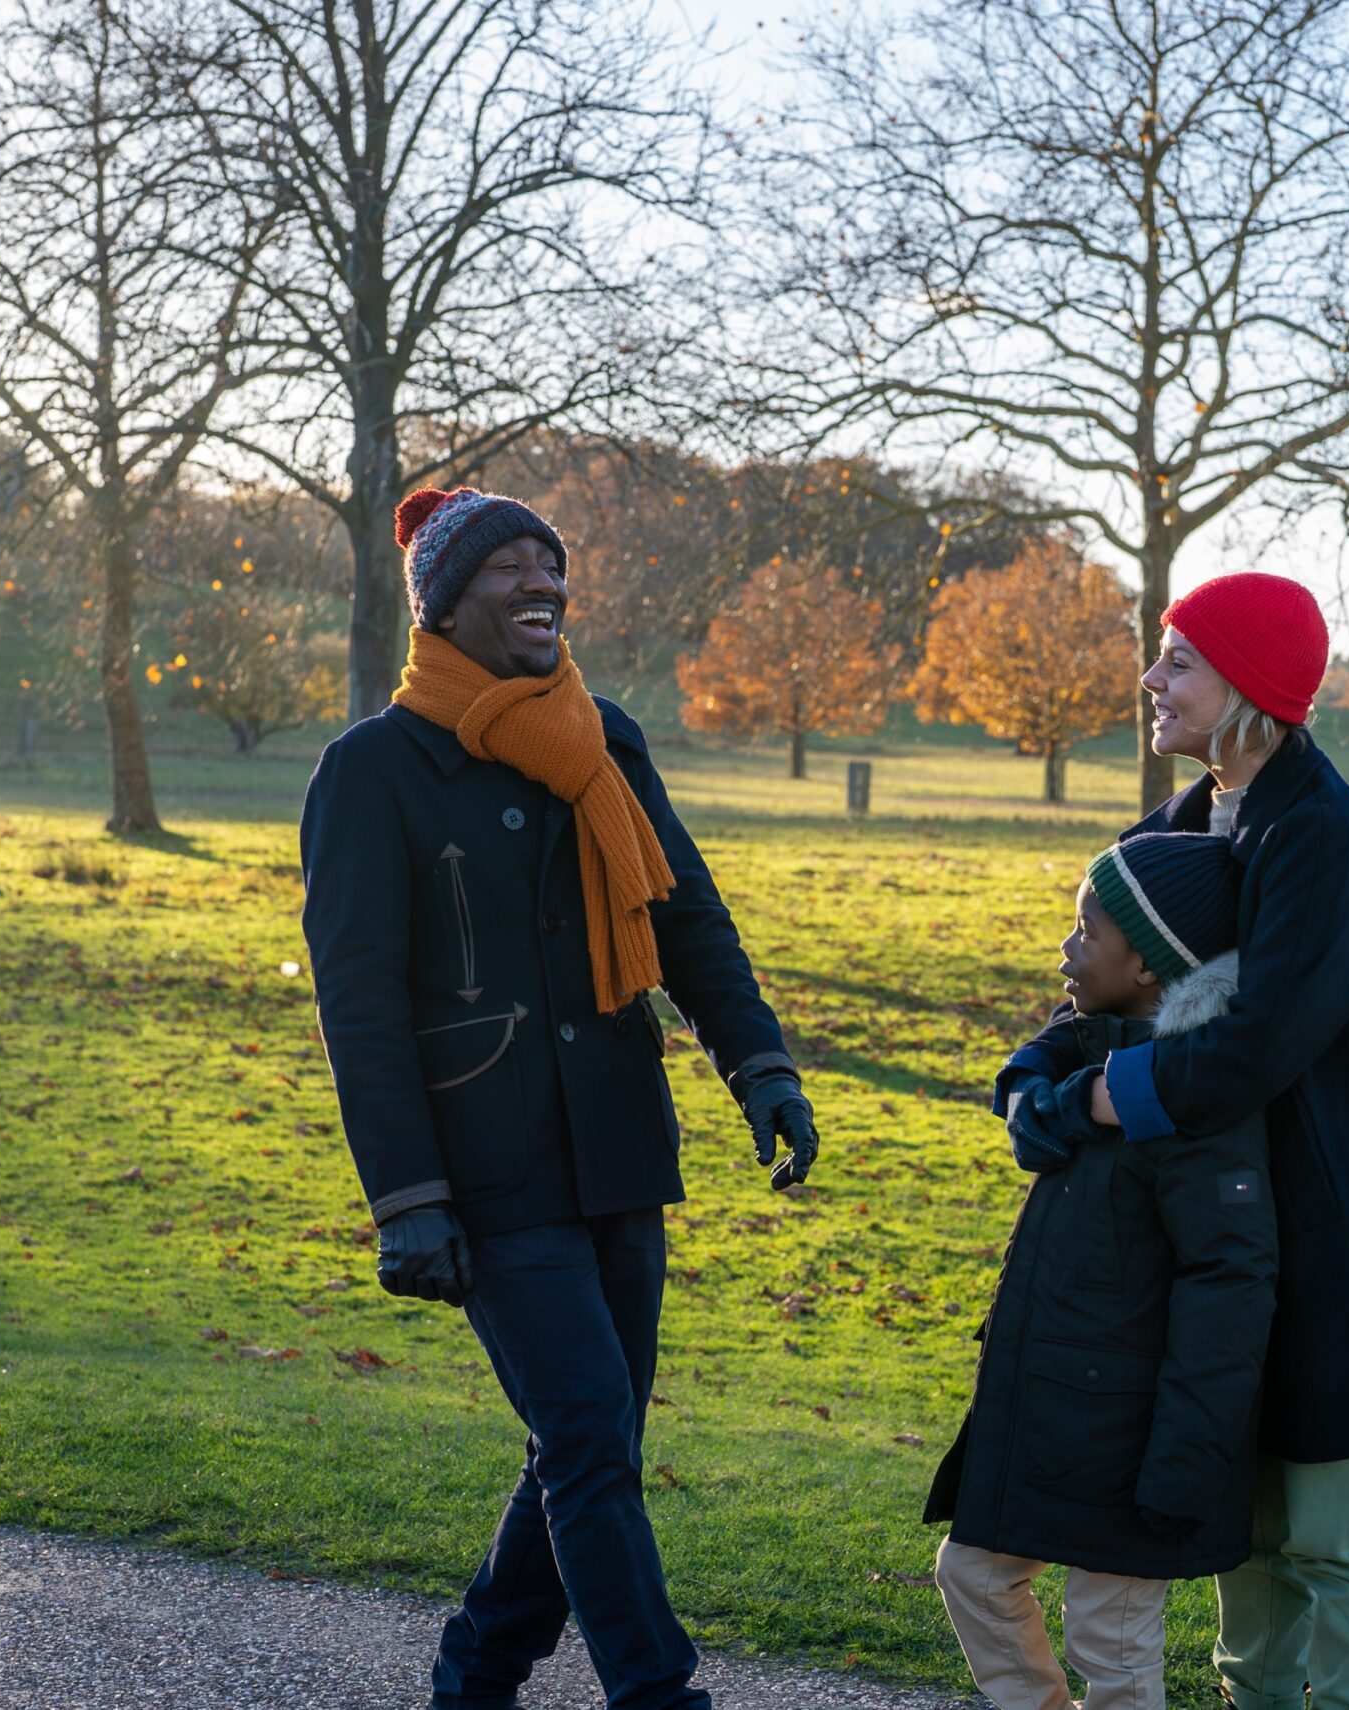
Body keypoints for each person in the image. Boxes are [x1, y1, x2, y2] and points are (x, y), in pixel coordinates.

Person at [298, 486, 819, 1710]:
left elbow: (686, 916)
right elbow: (357, 1001)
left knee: (588, 1447)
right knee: (587, 1439)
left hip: (618, 1144)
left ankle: (474, 1677)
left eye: (552, 565)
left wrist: (761, 1063)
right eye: (510, 567)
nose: (544, 584)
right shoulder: (373, 769)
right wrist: (406, 1199)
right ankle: (659, 1694)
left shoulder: (605, 738)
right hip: (484, 1166)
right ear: (443, 601)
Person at [1007, 572, 1349, 1710]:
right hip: (1222, 1225)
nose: (1150, 679)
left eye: (1179, 661)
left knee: (1339, 1539)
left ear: (1248, 686)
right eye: (1160, 656)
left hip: (1340, 1230)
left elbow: (1256, 1046)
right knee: (1247, 1530)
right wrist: (1039, 1068)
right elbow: (1118, 976)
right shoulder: (1186, 820)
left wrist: (1098, 1098)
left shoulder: (1326, 840)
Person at [925, 831, 1278, 1710]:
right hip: (1057, 1419)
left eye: (1087, 932)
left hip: (1140, 1445)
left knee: (1110, 1645)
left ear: (1151, 967)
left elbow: (1229, 1287)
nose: (1066, 947)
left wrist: (1184, 1464)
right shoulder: (1092, 1062)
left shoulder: (1190, 1107)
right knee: (970, 1572)